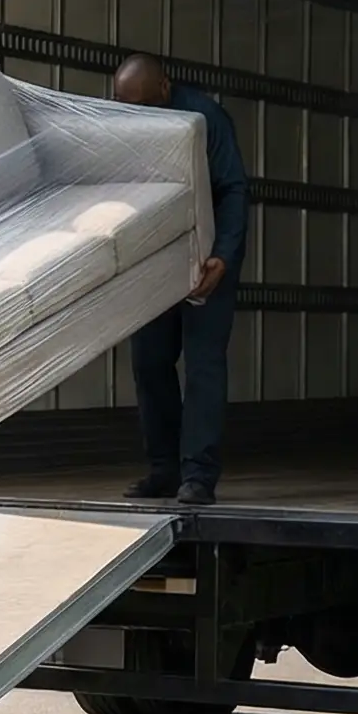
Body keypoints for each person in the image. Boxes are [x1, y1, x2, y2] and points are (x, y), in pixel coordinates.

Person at [111, 54, 248, 507]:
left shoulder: (206, 119)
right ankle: (164, 470)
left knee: (203, 366)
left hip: (206, 261)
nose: (138, 117)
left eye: (146, 106)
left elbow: (232, 189)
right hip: (156, 262)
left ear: (166, 88)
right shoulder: (124, 122)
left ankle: (199, 476)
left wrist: (223, 258)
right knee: (149, 362)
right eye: (128, 107)